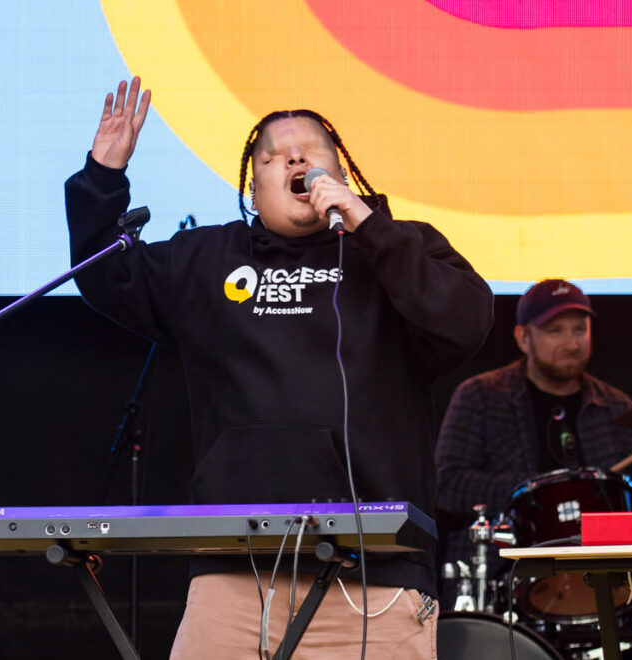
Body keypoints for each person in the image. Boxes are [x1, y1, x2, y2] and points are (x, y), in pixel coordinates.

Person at [65, 77, 492, 659]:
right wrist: (102, 179)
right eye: (272, 154)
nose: (293, 157)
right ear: (254, 184)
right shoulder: (207, 259)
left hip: (375, 577)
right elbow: (104, 276)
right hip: (231, 572)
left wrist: (372, 229)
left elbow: (464, 319)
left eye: (311, 150)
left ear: (339, 171)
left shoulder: (399, 249)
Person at [432, 278, 632, 558]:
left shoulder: (617, 408)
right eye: (556, 331)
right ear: (523, 338)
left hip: (603, 569)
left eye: (580, 330)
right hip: (503, 568)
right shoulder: (478, 397)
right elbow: (447, 485)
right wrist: (541, 494)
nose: (572, 343)